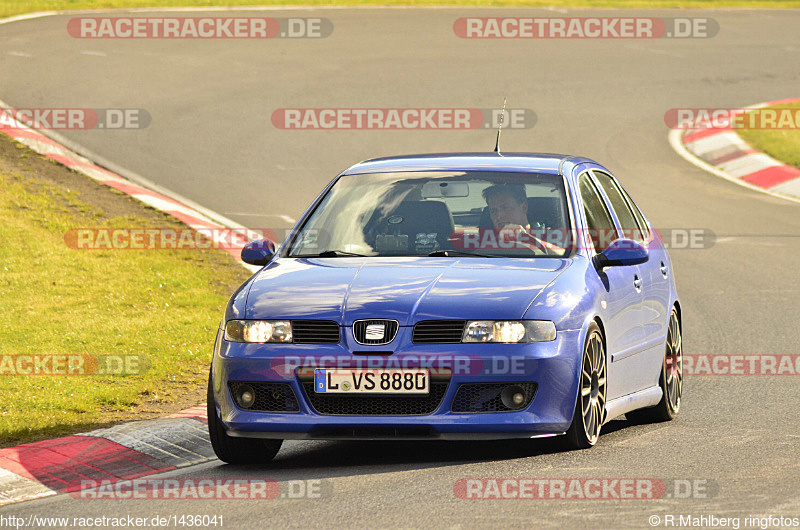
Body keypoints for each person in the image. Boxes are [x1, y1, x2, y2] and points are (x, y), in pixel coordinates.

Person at [481, 184, 564, 254]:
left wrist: (526, 238)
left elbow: (564, 256)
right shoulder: (485, 242)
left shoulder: (550, 235)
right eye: (493, 211)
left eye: (505, 208)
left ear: (524, 207)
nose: (499, 216)